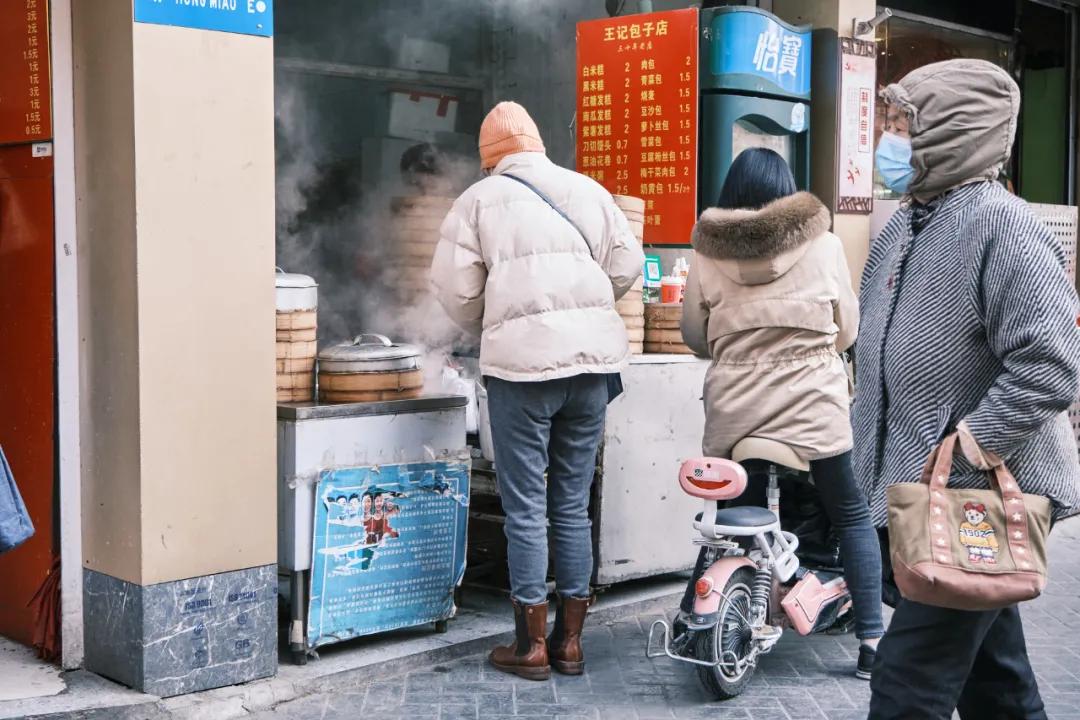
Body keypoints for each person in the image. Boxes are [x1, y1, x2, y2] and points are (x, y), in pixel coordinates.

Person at [855, 59, 1080, 719]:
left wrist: (971, 446)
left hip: (973, 501)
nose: (888, 142)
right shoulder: (901, 227)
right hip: (918, 496)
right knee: (996, 682)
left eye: (903, 127)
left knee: (906, 685)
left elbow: (1052, 362)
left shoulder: (1002, 226)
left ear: (951, 134)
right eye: (889, 125)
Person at [431, 101, 644, 681]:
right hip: (592, 367)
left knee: (526, 508)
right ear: (537, 143)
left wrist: (495, 321)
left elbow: (455, 292)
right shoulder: (586, 190)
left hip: (522, 373)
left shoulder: (477, 201)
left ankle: (531, 648)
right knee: (571, 503)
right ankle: (571, 643)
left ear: (489, 158)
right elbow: (627, 264)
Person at [680, 147, 884, 679]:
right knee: (852, 514)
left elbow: (695, 338)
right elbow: (847, 329)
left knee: (727, 524)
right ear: (789, 191)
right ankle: (871, 642)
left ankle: (694, 617)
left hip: (734, 415)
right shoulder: (825, 244)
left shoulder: (706, 255)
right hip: (813, 408)